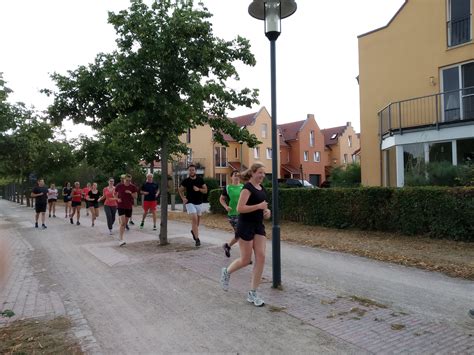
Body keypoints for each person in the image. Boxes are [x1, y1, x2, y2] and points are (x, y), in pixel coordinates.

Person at [220, 163, 271, 307]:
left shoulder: (262, 189)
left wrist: (267, 212)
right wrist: (258, 207)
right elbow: (240, 208)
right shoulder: (247, 188)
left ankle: (253, 293)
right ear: (253, 173)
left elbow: (264, 209)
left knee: (261, 257)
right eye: (259, 172)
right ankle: (227, 271)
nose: (262, 175)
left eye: (263, 173)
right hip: (246, 225)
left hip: (258, 226)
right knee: (245, 259)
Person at [178, 164, 208, 247]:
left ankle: (193, 231)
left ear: (195, 171)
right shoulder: (186, 181)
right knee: (194, 219)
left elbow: (205, 191)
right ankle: (197, 239)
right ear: (188, 171)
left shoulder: (200, 180)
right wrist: (183, 198)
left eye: (193, 170)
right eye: (190, 170)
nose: (191, 171)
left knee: (197, 223)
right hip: (190, 202)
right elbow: (180, 190)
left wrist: (199, 189)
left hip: (199, 202)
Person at [219, 170, 243, 257]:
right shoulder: (228, 188)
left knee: (240, 234)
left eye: (238, 175)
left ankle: (227, 246)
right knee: (241, 234)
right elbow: (221, 199)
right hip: (233, 214)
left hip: (243, 214)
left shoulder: (244, 187)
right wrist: (226, 207)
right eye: (235, 175)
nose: (236, 177)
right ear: (231, 177)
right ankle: (245, 256)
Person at [115, 174, 138, 246]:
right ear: (124, 180)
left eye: (130, 181)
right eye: (127, 180)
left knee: (125, 224)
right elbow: (114, 194)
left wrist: (130, 193)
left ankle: (121, 237)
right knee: (123, 223)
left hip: (129, 207)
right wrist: (117, 199)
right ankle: (120, 239)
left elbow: (136, 197)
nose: (128, 182)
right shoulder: (119, 186)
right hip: (121, 206)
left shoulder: (133, 187)